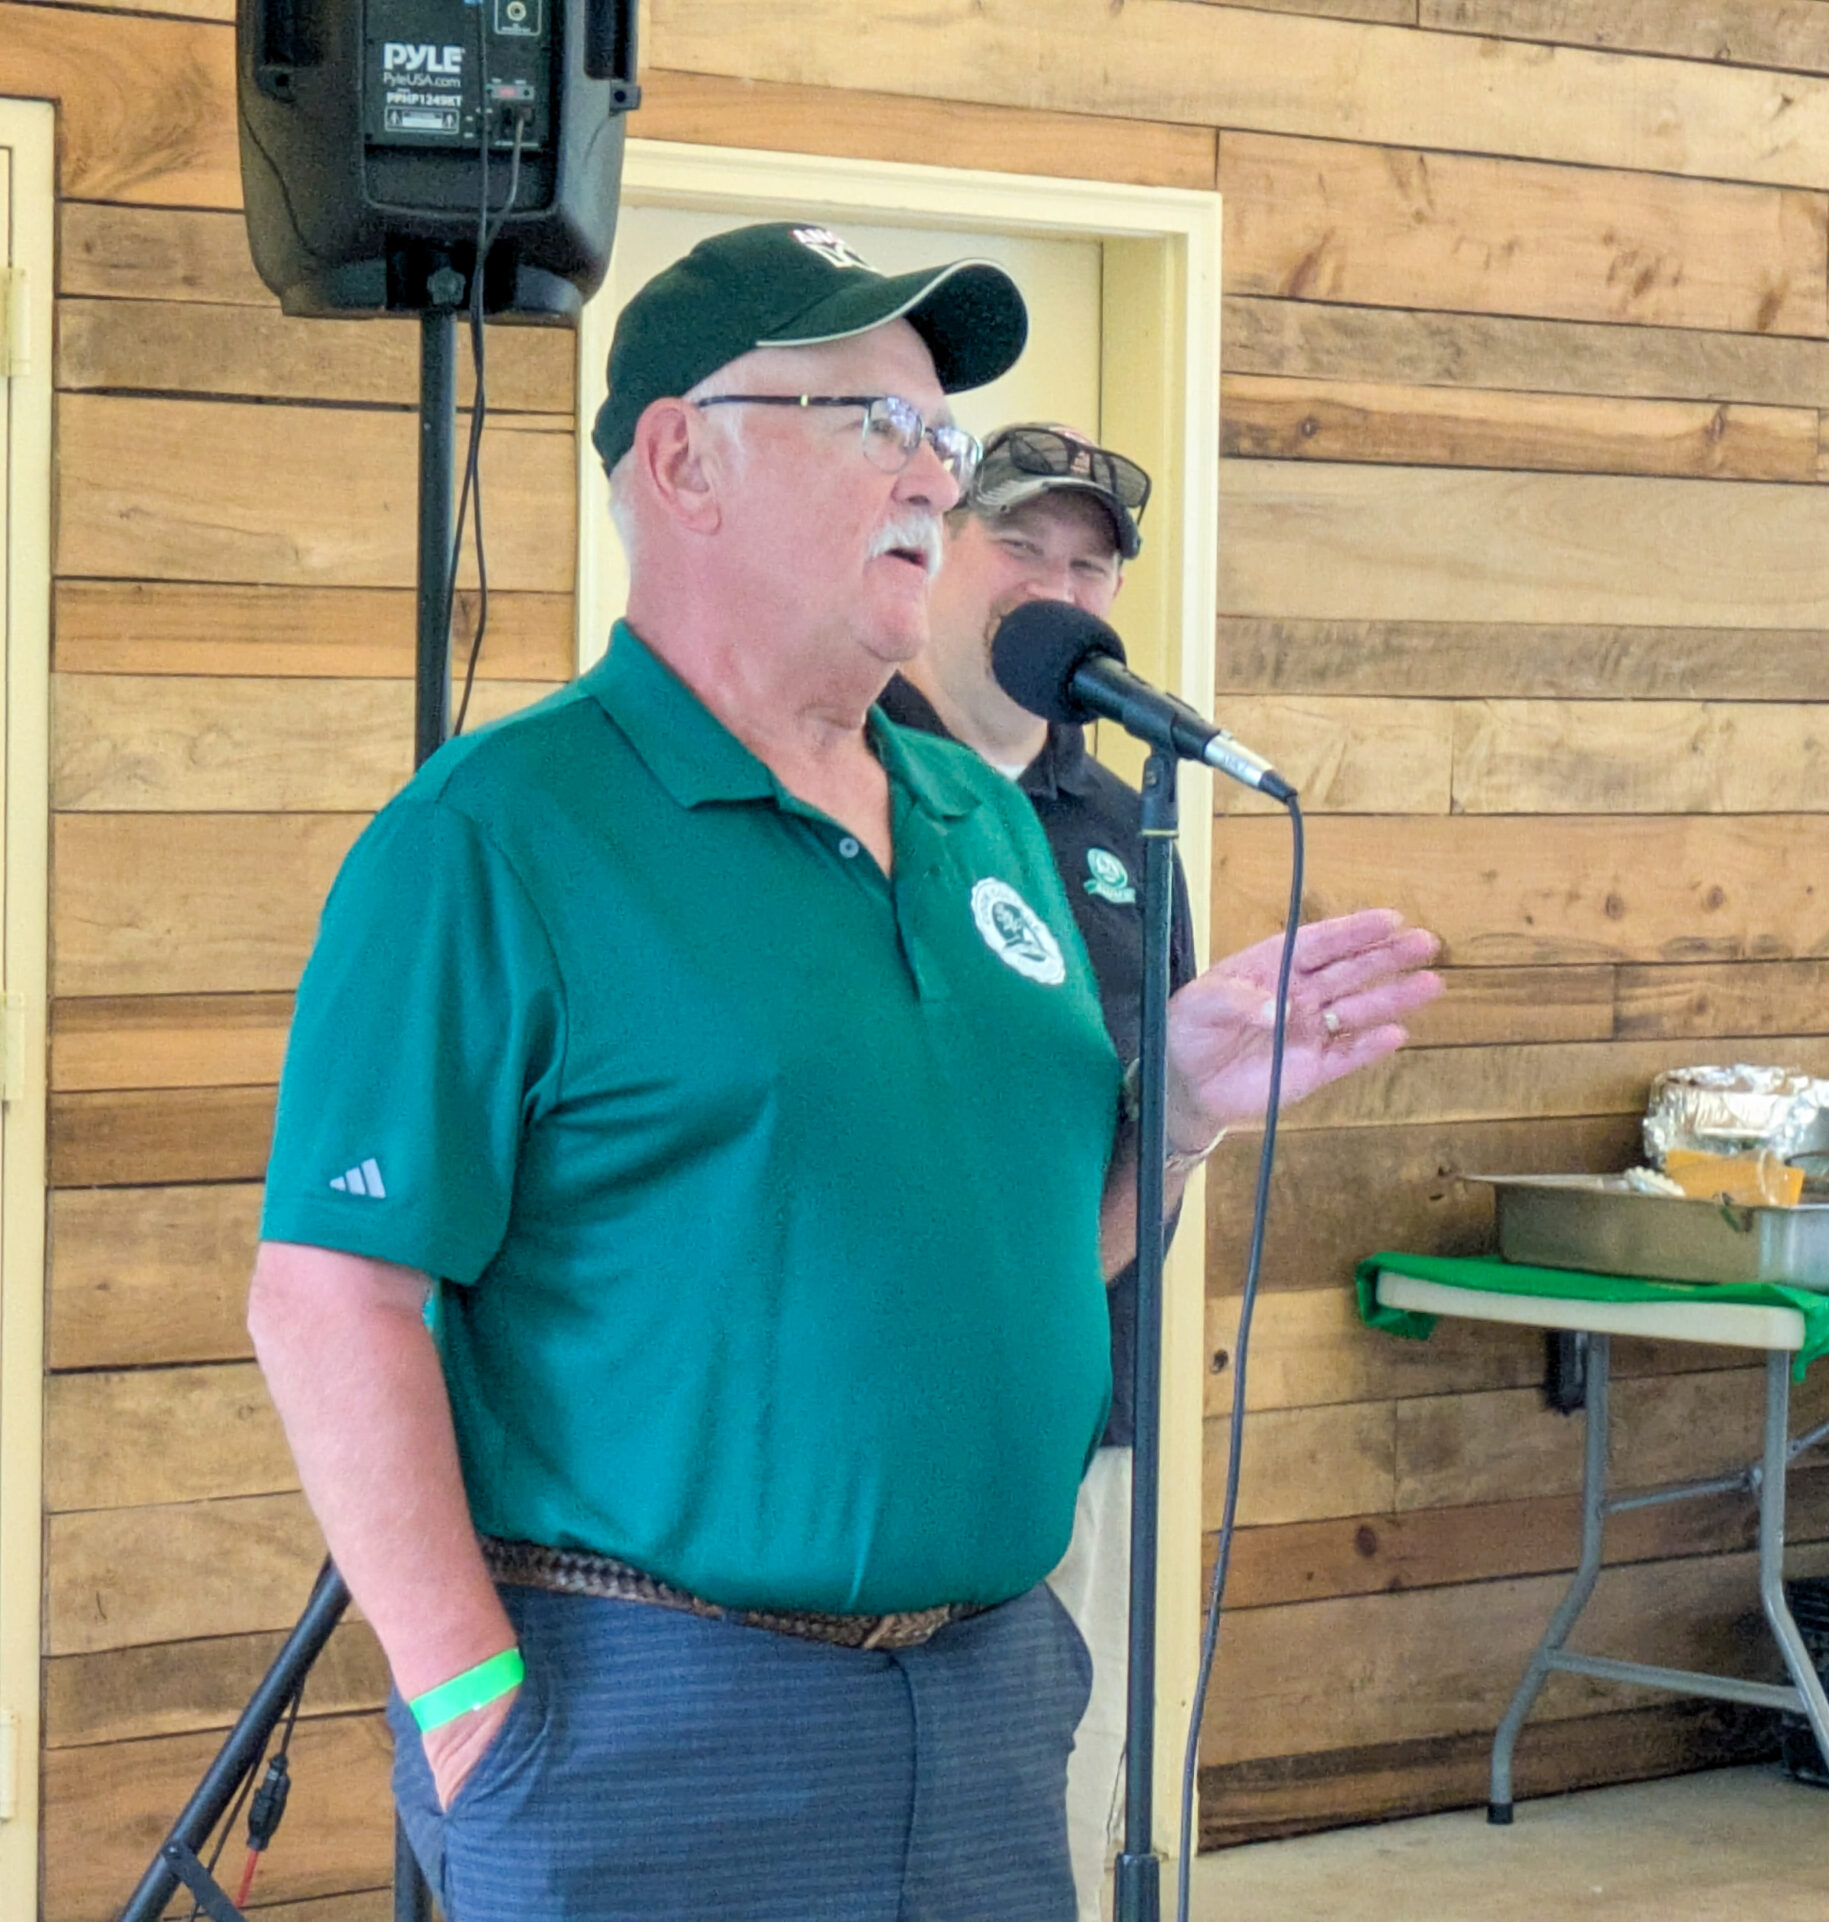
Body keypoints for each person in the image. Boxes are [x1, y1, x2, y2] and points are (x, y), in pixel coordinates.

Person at [244, 221, 1441, 1921]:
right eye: (876, 422)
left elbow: (1041, 1243)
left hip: (989, 1700)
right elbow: (329, 1294)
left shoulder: (980, 826)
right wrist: (470, 1703)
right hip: (647, 1721)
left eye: (942, 434)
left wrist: (1176, 1110)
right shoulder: (493, 836)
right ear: (685, 461)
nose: (932, 476)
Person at [879, 421, 1179, 1922]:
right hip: (883, 1416)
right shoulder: (844, 773)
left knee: (1058, 1801)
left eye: (1089, 565)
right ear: (935, 545)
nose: (1057, 586)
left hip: (1089, 1408)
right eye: (1020, 546)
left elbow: (1157, 1122)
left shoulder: (1130, 823)